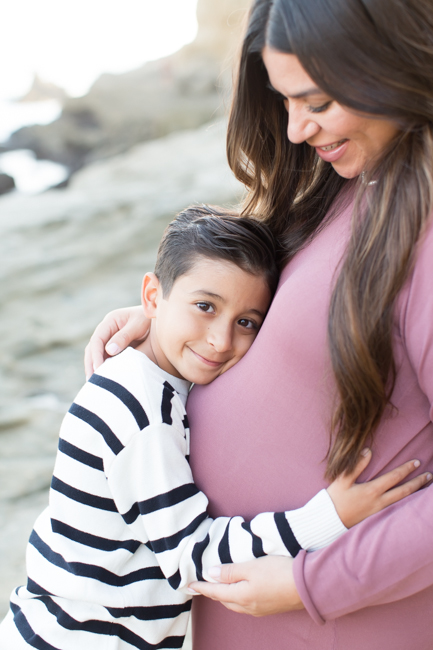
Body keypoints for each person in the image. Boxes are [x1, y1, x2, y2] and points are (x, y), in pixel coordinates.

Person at [84, 1, 433, 648]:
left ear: (389, 70)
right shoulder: (340, 188)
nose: (296, 130)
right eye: (284, 102)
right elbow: (293, 319)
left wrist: (313, 584)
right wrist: (172, 326)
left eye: (318, 102)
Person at [2, 206, 419, 650]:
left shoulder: (158, 378)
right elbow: (192, 558)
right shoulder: (139, 407)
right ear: (152, 296)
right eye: (204, 307)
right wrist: (325, 519)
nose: (221, 340)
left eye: (246, 323)